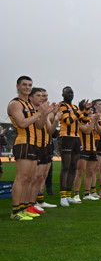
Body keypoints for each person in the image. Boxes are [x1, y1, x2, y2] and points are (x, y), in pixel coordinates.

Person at [7, 76, 54, 220]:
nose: (27, 87)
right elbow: (21, 123)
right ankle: (15, 212)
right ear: (18, 87)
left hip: (33, 144)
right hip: (23, 143)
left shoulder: (29, 104)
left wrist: (44, 113)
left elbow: (39, 126)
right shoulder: (16, 104)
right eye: (24, 85)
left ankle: (24, 207)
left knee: (29, 178)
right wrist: (40, 113)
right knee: (22, 178)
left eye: (29, 85)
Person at [58, 86, 90, 206]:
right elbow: (68, 121)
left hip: (76, 138)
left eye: (72, 93)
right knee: (65, 166)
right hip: (65, 137)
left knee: (73, 167)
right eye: (68, 93)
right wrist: (79, 111)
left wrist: (85, 110)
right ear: (63, 94)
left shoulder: (75, 107)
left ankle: (68, 194)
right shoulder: (62, 106)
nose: (70, 95)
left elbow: (84, 121)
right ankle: (62, 196)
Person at [31, 88, 59, 210]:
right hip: (36, 145)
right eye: (42, 95)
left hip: (47, 145)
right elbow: (38, 126)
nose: (45, 98)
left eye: (46, 95)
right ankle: (31, 202)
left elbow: (51, 131)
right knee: (35, 176)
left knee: (43, 175)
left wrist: (56, 119)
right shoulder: (34, 110)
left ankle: (40, 199)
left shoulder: (46, 112)